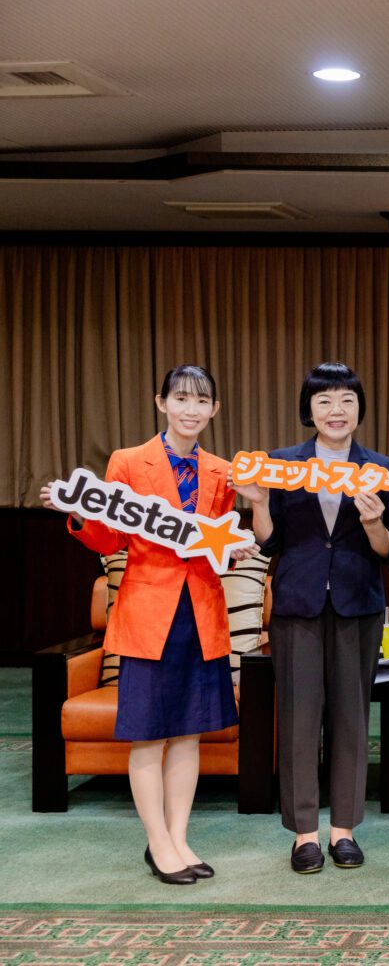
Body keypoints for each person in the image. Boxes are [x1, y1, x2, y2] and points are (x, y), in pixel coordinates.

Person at [42, 365, 257, 885]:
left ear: (215, 410)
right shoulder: (128, 461)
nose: (191, 409)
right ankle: (157, 843)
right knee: (149, 736)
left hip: (201, 613)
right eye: (181, 398)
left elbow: (216, 544)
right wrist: (74, 512)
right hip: (147, 614)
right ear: (161, 402)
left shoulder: (222, 472)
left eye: (201, 401)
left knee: (188, 734)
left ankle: (180, 838)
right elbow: (109, 539)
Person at [237, 362, 389, 874]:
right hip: (297, 603)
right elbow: (270, 542)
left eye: (347, 400)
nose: (337, 410)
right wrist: (259, 505)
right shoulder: (280, 465)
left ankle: (344, 831)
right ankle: (304, 835)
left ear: (360, 409)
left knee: (353, 717)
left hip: (358, 603)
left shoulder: (381, 468)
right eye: (325, 400)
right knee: (299, 716)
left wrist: (374, 520)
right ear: (308, 409)